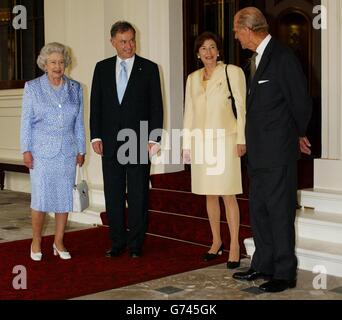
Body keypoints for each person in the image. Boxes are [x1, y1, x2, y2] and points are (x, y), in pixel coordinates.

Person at [231, 7, 312, 292]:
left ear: (249, 29)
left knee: (279, 212)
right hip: (258, 153)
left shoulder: (282, 58)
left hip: (278, 153)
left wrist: (297, 133)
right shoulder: (255, 60)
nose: (235, 36)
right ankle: (262, 264)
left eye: (236, 30)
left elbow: (300, 102)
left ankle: (283, 273)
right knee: (260, 210)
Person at [90, 21, 163, 258]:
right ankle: (117, 242)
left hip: (138, 140)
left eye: (131, 40)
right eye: (123, 41)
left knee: (138, 194)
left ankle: (136, 245)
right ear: (112, 42)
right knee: (113, 194)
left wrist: (155, 138)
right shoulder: (101, 68)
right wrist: (96, 135)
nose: (129, 45)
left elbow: (156, 107)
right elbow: (96, 105)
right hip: (109, 142)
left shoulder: (149, 68)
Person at [182, 32, 246, 269]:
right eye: (203, 49)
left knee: (228, 194)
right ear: (198, 54)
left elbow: (242, 108)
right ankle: (216, 241)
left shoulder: (232, 72)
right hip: (201, 142)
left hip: (226, 141)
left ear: (219, 51)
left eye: (212, 48)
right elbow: (189, 112)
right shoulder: (192, 78)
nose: (208, 52)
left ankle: (235, 246)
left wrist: (242, 138)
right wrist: (186, 144)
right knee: (209, 194)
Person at [20, 42, 86, 261]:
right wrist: (25, 150)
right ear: (44, 65)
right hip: (40, 152)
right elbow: (26, 122)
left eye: (61, 62)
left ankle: (58, 241)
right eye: (53, 62)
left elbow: (79, 123)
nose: (58, 66)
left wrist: (81, 148)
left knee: (63, 198)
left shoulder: (75, 88)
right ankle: (36, 240)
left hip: (67, 151)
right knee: (40, 198)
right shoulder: (33, 87)